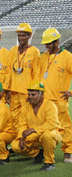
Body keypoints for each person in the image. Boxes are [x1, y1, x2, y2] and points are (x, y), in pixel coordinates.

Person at [11, 80, 62, 171]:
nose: (30, 97)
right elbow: (22, 124)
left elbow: (51, 124)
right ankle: (38, 153)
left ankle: (49, 162)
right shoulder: (26, 106)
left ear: (41, 94)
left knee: (47, 135)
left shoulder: (50, 105)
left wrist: (32, 130)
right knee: (15, 146)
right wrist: (21, 137)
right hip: (35, 136)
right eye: (29, 94)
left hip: (52, 134)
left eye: (33, 95)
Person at [39, 28, 72, 163]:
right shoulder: (44, 57)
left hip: (59, 100)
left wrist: (71, 93)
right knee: (44, 126)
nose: (46, 46)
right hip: (45, 101)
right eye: (45, 44)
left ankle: (68, 152)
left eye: (49, 43)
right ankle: (42, 151)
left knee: (65, 127)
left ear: (57, 41)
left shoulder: (68, 57)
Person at [5, 23, 40, 131]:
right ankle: (16, 143)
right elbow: (8, 72)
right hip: (14, 92)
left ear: (29, 36)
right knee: (14, 119)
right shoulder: (12, 51)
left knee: (28, 118)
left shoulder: (34, 52)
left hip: (27, 93)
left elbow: (37, 74)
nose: (21, 38)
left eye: (23, 35)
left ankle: (30, 144)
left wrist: (34, 93)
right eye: (19, 35)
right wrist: (6, 90)